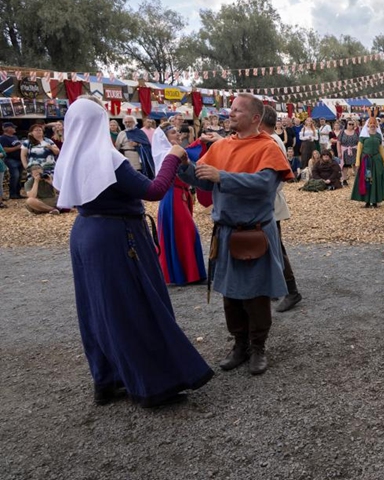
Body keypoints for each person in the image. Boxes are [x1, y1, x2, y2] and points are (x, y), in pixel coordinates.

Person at [54, 96, 213, 407]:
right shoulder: (106, 159)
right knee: (133, 305)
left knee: (97, 309)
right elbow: (154, 191)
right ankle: (153, 383)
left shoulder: (70, 156)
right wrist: (173, 156)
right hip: (117, 234)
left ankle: (107, 379)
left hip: (85, 233)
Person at [177, 94, 292, 376]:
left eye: (237, 111)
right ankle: (240, 345)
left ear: (255, 118)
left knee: (256, 294)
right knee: (230, 295)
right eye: (231, 110)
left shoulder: (268, 147)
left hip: (254, 232)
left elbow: (265, 184)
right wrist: (182, 166)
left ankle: (258, 347)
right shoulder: (221, 146)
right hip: (226, 232)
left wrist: (223, 177)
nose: (230, 114)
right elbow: (202, 178)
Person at [260, 107, 302, 313]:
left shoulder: (272, 142)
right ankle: (274, 286)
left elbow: (276, 177)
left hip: (270, 202)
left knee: (276, 246)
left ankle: (292, 291)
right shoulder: (270, 140)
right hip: (268, 201)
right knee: (269, 245)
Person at [154, 124, 207, 286]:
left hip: (182, 194)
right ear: (165, 138)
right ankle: (185, 274)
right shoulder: (166, 154)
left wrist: (200, 140)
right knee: (185, 231)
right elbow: (186, 155)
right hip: (173, 196)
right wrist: (199, 141)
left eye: (177, 131)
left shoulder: (175, 150)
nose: (177, 134)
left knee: (185, 232)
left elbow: (188, 152)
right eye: (172, 132)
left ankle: (191, 273)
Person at [351, 117, 384, 207]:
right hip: (366, 160)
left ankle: (375, 200)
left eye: (374, 124)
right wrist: (357, 162)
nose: (372, 125)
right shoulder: (363, 135)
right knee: (366, 179)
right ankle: (367, 201)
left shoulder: (378, 136)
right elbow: (359, 149)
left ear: (376, 125)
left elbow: (381, 149)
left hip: (376, 160)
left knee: (376, 179)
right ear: (368, 125)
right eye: (370, 124)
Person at [0, 122, 23, 199]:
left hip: (19, 159)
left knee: (19, 176)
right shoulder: (3, 138)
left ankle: (17, 193)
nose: (14, 129)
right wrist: (17, 148)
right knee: (15, 176)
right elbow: (4, 150)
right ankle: (12, 193)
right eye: (13, 127)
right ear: (8, 129)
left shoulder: (14, 137)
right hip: (10, 159)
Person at [337, 119, 359, 186]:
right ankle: (344, 179)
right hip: (345, 151)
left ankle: (357, 180)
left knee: (355, 165)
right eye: (349, 124)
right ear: (346, 124)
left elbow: (359, 142)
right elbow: (338, 142)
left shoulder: (356, 132)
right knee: (345, 166)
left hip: (354, 151)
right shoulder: (342, 132)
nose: (351, 125)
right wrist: (339, 152)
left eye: (352, 124)